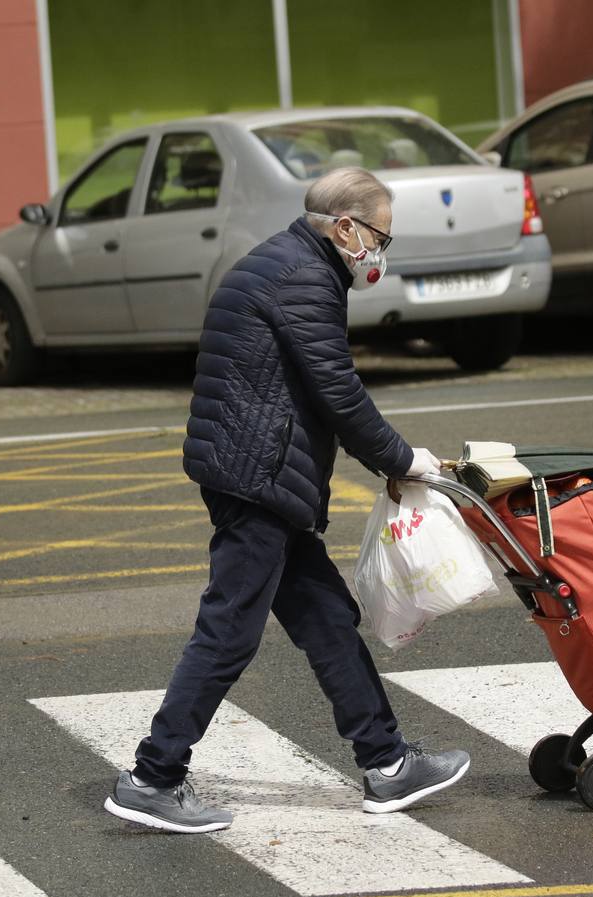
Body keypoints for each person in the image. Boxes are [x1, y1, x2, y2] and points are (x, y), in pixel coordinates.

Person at [104, 167, 469, 834]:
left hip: (255, 472)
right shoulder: (303, 276)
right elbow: (336, 389)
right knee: (228, 630)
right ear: (344, 227)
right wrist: (402, 459)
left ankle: (386, 763)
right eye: (378, 238)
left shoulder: (286, 260)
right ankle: (152, 777)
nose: (379, 254)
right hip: (258, 477)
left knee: (326, 615)